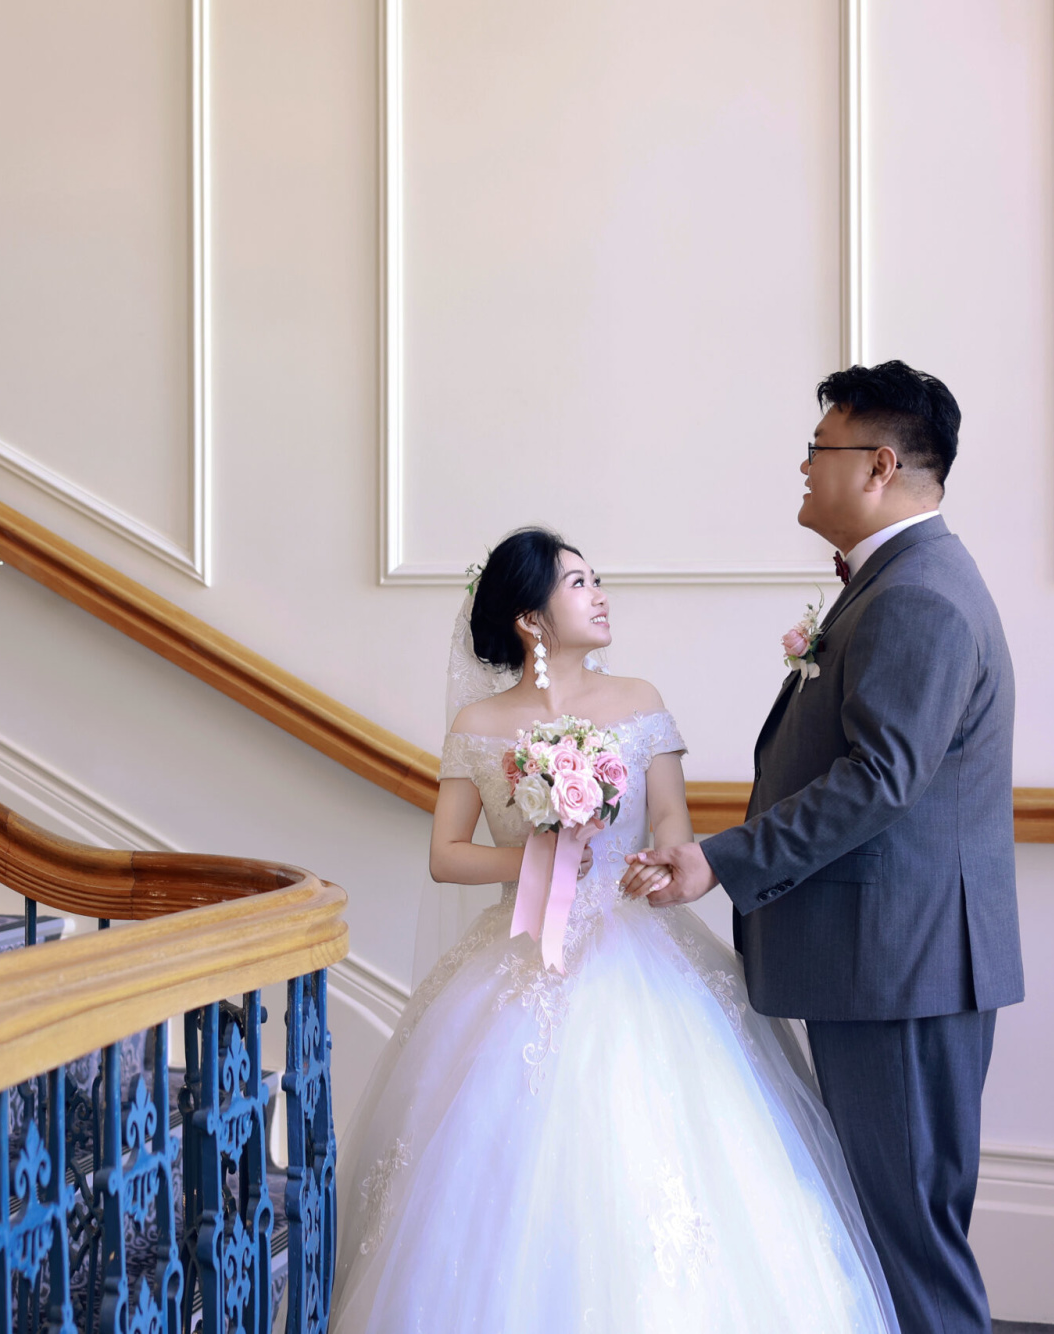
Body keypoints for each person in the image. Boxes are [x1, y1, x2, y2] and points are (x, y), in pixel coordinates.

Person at [334, 528, 897, 1332]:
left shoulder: (638, 700)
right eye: (578, 583)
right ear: (531, 618)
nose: (600, 595)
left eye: (597, 580)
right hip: (521, 948)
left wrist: (652, 864)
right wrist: (538, 857)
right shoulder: (480, 722)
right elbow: (445, 855)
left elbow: (671, 821)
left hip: (638, 947)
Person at [629, 361, 1021, 1334]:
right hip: (890, 963)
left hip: (901, 971)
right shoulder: (893, 582)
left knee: (909, 1241)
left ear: (878, 464)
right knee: (887, 1233)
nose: (802, 468)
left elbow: (877, 781)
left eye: (818, 448)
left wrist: (719, 857)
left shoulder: (916, 597)